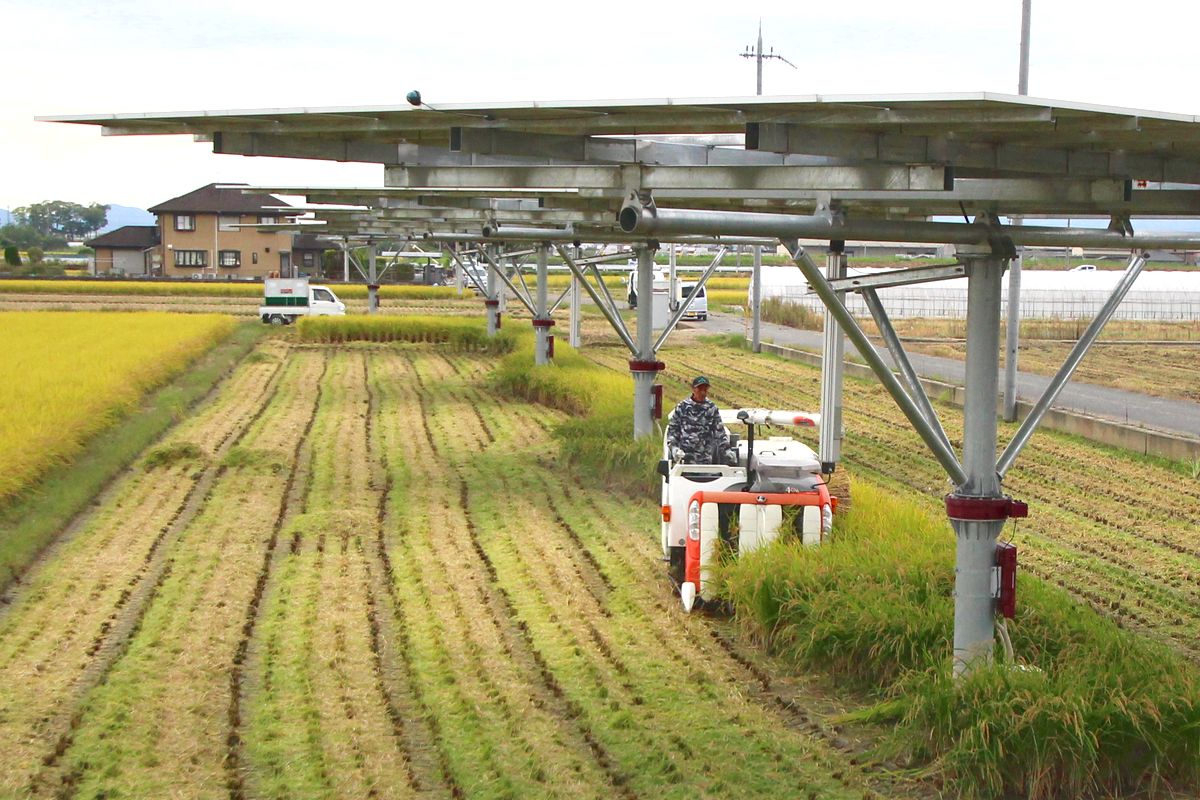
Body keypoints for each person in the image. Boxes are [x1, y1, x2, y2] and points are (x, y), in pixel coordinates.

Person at [667, 376, 729, 463]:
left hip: (705, 460)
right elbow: (673, 430)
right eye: (700, 389)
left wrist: (727, 450)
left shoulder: (711, 408)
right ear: (693, 389)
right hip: (684, 459)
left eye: (705, 389)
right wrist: (674, 448)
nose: (703, 392)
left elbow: (719, 433)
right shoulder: (682, 407)